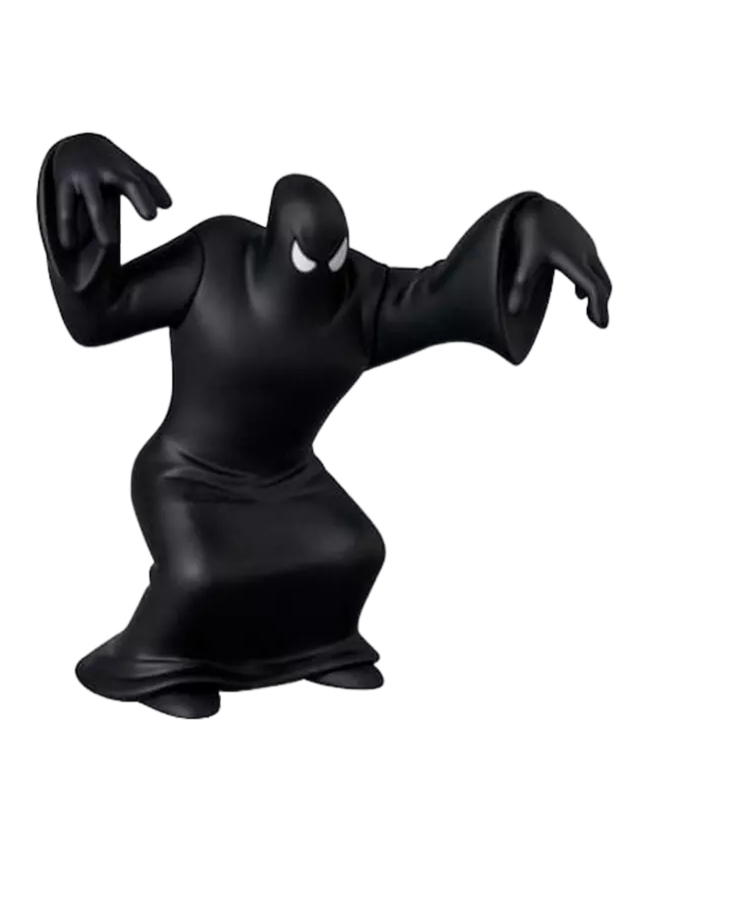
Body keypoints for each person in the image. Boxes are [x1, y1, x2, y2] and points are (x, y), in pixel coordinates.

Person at [40, 132, 612, 719]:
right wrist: (74, 186)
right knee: (201, 572)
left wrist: (525, 227)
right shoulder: (214, 258)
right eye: (305, 261)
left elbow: (442, 294)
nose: (318, 278)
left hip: (288, 475)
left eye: (333, 260)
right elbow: (100, 313)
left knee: (351, 550)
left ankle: (318, 648)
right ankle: (162, 664)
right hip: (185, 472)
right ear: (273, 245)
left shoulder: (359, 294)